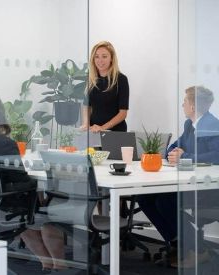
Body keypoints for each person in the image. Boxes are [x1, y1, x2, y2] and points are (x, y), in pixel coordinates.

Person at [0, 96, 65, 271]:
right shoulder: (4, 143)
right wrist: (37, 184)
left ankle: (47, 264)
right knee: (46, 214)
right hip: (0, 206)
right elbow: (21, 180)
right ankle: (60, 266)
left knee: (25, 220)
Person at [137, 86, 219, 267]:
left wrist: (186, 156)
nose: (182, 105)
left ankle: (199, 250)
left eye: (185, 102)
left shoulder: (212, 125)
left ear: (192, 106)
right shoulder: (190, 124)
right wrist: (173, 153)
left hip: (207, 187)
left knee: (165, 201)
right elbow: (175, 145)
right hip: (190, 183)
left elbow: (216, 156)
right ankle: (176, 244)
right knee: (144, 198)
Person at [80, 41, 129, 133]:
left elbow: (123, 113)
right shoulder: (91, 80)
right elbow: (86, 105)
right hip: (94, 133)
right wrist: (86, 123)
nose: (100, 60)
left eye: (104, 56)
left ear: (111, 58)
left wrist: (103, 128)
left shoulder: (121, 79)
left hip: (115, 133)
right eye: (96, 56)